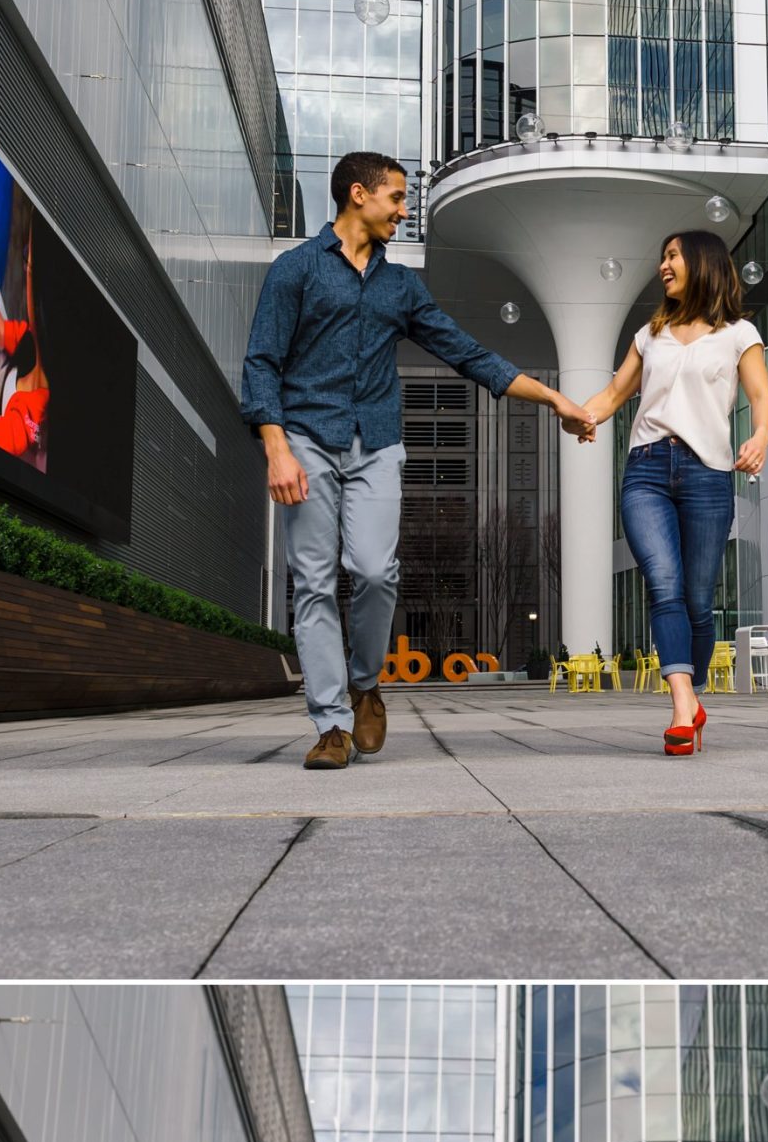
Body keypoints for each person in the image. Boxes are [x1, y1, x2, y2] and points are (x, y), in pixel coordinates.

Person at [241, 151, 598, 770]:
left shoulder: (400, 286)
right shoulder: (294, 271)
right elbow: (261, 364)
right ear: (359, 194)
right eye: (398, 198)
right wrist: (276, 449)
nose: (405, 211)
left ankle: (364, 682)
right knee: (315, 585)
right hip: (304, 439)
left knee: (377, 572)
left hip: (376, 443)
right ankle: (329, 724)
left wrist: (554, 399)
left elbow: (466, 352)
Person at [578, 232, 768, 756]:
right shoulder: (651, 334)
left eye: (672, 255)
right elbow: (616, 393)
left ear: (703, 262)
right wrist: (585, 414)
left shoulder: (738, 334)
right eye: (662, 256)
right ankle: (681, 705)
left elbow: (760, 396)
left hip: (708, 474)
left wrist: (759, 437)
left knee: (697, 601)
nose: (663, 264)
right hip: (646, 470)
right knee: (662, 584)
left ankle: (693, 694)